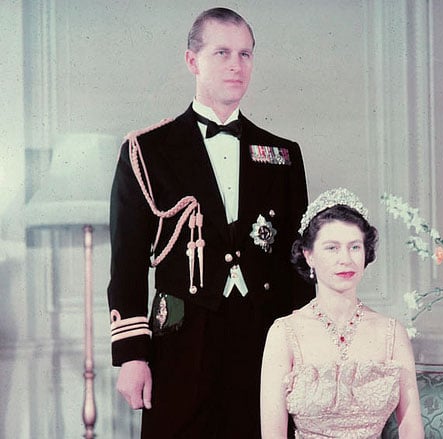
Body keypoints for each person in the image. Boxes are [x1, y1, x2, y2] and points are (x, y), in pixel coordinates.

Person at [107, 7, 314, 438]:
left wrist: (304, 347)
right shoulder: (147, 150)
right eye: (222, 53)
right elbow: (127, 262)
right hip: (180, 335)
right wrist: (132, 356)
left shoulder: (282, 155)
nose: (236, 66)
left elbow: (299, 264)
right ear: (192, 61)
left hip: (264, 335)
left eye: (245, 54)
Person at [260, 188, 424, 438]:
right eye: (332, 248)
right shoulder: (284, 332)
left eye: (354, 247)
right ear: (309, 255)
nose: (345, 259)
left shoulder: (392, 332)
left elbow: (412, 429)